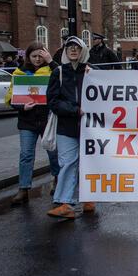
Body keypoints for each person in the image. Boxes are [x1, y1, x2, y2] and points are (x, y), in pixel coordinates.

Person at [4, 42, 60, 205]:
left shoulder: (53, 70)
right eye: (34, 56)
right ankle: (23, 188)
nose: (37, 59)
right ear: (28, 57)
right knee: (26, 155)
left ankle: (57, 179)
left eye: (40, 56)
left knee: (53, 153)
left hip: (47, 119)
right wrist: (22, 106)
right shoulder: (19, 73)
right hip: (27, 120)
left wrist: (51, 61)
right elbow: (11, 98)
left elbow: (66, 76)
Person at [46, 36, 94, 219]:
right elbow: (53, 101)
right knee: (67, 163)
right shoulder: (58, 72)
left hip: (90, 127)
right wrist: (75, 110)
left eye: (77, 47)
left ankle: (89, 198)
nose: (73, 50)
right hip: (66, 127)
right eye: (69, 47)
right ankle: (65, 203)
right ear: (65, 51)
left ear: (83, 51)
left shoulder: (92, 72)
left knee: (89, 163)